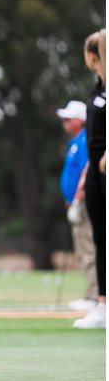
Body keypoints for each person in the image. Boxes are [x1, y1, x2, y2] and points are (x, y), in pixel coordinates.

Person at [74, 29, 106, 329]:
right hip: (96, 172)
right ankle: (103, 304)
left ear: (91, 55)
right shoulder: (98, 87)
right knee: (100, 238)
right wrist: (87, 173)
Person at [56, 100, 98, 311]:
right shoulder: (75, 141)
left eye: (69, 118)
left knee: (88, 249)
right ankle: (91, 294)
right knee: (82, 250)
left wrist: (78, 202)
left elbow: (86, 172)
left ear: (80, 121)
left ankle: (95, 296)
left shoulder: (84, 141)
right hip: (75, 204)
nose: (64, 122)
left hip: (83, 205)